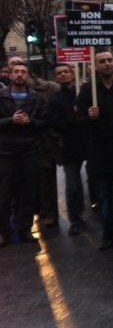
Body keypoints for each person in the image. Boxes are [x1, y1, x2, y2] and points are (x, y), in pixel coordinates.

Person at [77, 49, 113, 249]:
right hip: (100, 152)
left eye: (110, 60)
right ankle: (109, 235)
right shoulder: (87, 90)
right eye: (102, 61)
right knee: (105, 197)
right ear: (95, 65)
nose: (107, 64)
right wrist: (89, 117)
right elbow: (77, 122)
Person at [0, 61, 49, 246]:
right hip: (5, 153)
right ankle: (4, 231)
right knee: (4, 195)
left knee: (27, 193)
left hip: (29, 152)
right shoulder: (1, 96)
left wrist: (30, 122)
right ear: (10, 75)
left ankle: (25, 229)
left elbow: (45, 123)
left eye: (23, 72)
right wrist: (10, 121)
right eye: (16, 72)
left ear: (28, 75)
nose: (19, 75)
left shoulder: (37, 98)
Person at [47, 63, 87, 237]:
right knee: (73, 186)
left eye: (66, 72)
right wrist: (75, 115)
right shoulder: (55, 100)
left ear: (72, 73)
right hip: (70, 146)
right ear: (56, 77)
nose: (63, 75)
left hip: (90, 143)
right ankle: (75, 219)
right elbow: (57, 125)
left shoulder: (84, 93)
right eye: (59, 73)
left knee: (97, 179)